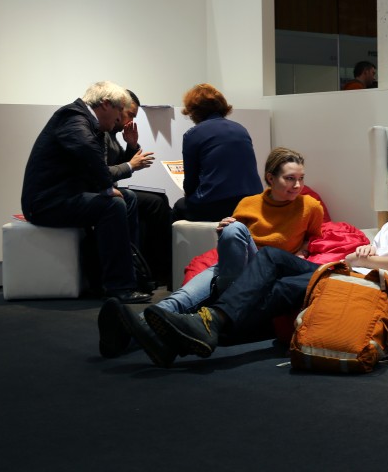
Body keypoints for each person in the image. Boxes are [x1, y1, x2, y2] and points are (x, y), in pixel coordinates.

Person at [138, 146, 388, 365]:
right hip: (345, 271)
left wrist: (365, 260)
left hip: (358, 280)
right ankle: (198, 327)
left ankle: (197, 327)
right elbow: (387, 251)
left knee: (274, 278)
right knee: (270, 264)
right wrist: (369, 249)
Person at [98, 147, 323, 362]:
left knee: (250, 245)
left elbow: (316, 238)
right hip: (238, 265)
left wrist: (303, 250)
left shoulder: (310, 206)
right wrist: (224, 230)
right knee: (183, 296)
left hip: (267, 271)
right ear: (270, 178)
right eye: (290, 178)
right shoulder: (249, 203)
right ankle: (139, 330)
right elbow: (235, 243)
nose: (297, 185)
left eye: (301, 179)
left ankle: (130, 335)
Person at [21, 81, 151, 304]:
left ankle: (128, 273)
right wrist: (106, 187)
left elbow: (96, 162)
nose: (119, 118)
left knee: (128, 198)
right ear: (106, 104)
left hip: (65, 195)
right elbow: (88, 153)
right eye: (120, 110)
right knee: (113, 205)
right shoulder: (72, 118)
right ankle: (119, 286)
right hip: (46, 203)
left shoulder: (88, 123)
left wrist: (107, 185)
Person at [104, 90, 172, 289]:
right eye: (130, 115)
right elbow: (107, 171)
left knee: (159, 201)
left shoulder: (112, 134)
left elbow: (116, 166)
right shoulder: (103, 132)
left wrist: (132, 146)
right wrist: (131, 164)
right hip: (104, 191)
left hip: (110, 188)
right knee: (154, 203)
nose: (130, 121)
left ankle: (156, 270)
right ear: (118, 109)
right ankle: (148, 271)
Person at [171, 83, 262, 222]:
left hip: (216, 205)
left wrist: (191, 196)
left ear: (194, 111)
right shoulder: (240, 129)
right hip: (252, 202)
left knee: (179, 207)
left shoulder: (193, 134)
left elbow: (190, 183)